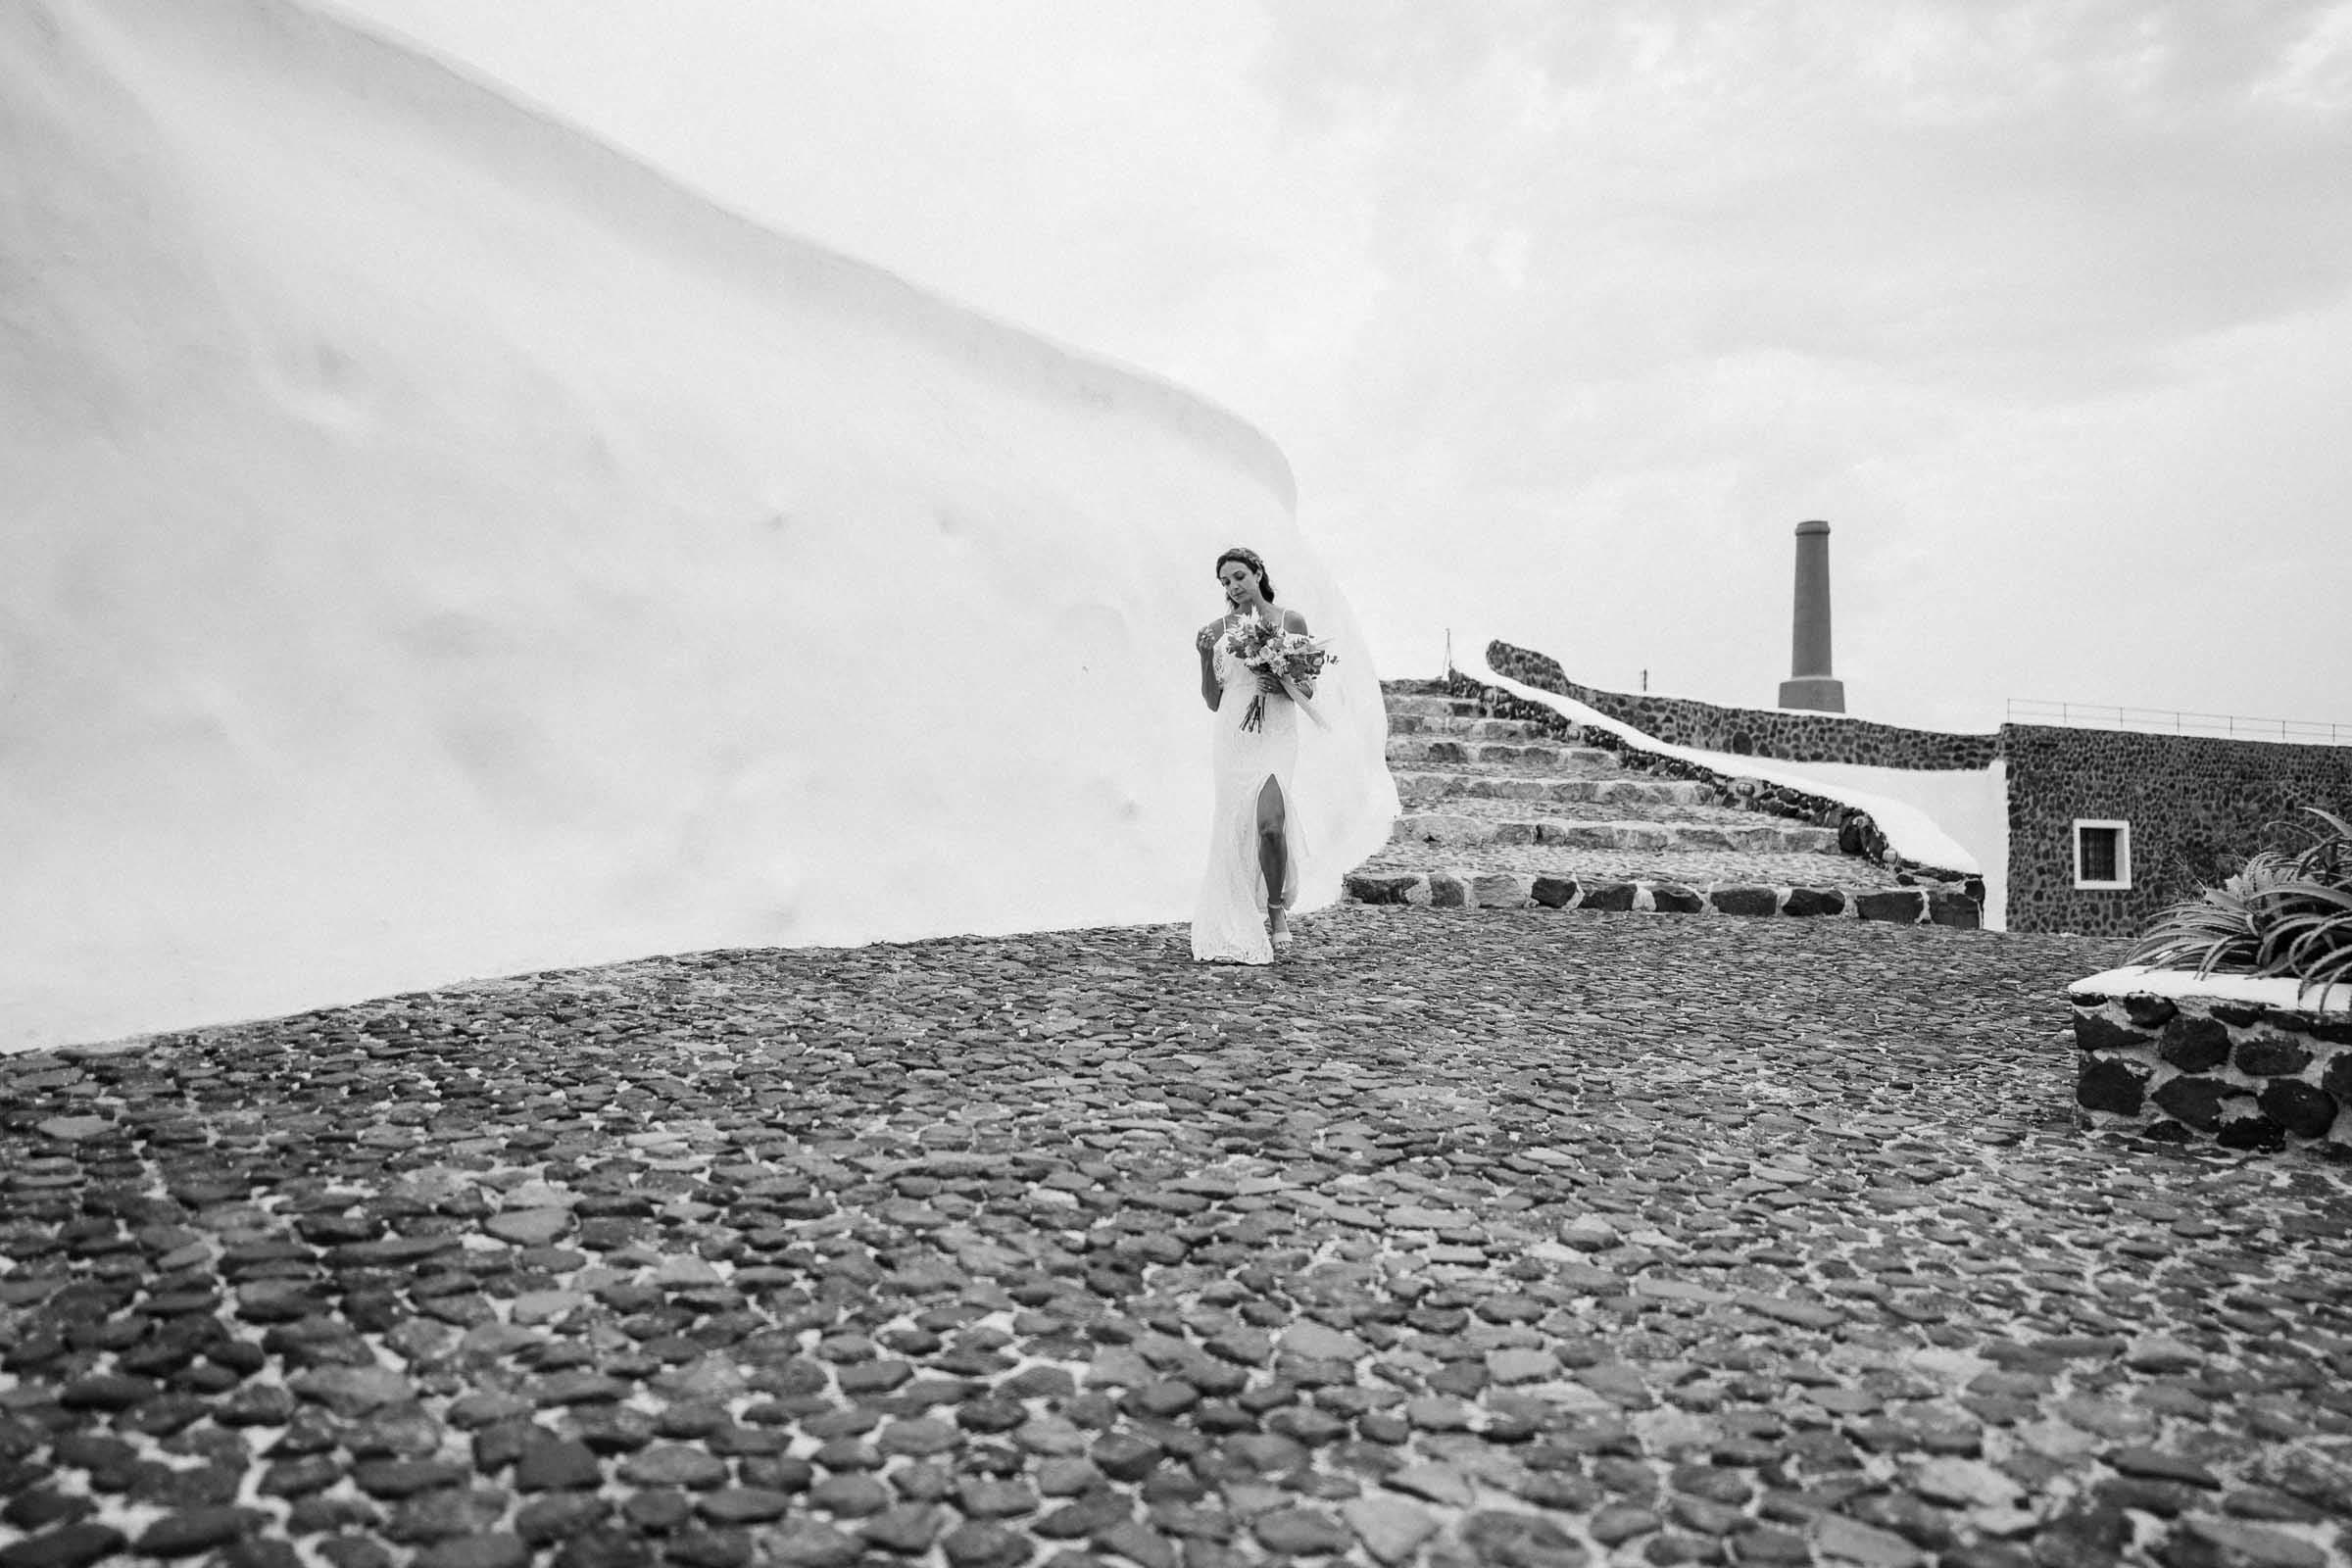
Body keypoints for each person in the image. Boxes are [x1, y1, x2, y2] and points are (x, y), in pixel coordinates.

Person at [1191, 545, 1319, 963]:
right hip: (1233, 734)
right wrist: (1203, 656)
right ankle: (1241, 910)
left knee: (1270, 825)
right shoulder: (1216, 629)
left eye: (1240, 576)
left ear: (1258, 572)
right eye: (1226, 581)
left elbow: (1309, 688)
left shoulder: (1290, 620)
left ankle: (1276, 907)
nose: (1234, 586)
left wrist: (1278, 682)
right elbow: (1213, 699)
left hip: (1277, 732)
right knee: (1235, 826)